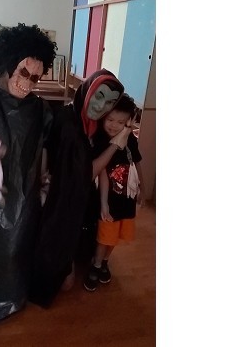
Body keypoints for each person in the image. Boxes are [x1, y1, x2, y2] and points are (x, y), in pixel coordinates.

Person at [0, 23, 56, 327]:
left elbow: (44, 147)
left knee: (13, 250)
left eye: (36, 77)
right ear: (6, 63)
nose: (28, 83)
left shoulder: (39, 109)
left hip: (20, 199)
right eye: (24, 72)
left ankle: (9, 298)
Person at [29, 69, 133, 307]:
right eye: (99, 95)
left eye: (109, 102)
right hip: (57, 203)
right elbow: (85, 176)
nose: (101, 106)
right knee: (63, 283)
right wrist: (116, 144)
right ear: (88, 91)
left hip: (75, 199)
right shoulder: (71, 127)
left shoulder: (89, 122)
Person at [83, 93, 145, 292]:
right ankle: (96, 264)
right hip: (108, 201)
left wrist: (142, 187)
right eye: (110, 119)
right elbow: (101, 173)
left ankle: (105, 262)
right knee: (104, 237)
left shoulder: (130, 140)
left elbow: (136, 162)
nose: (113, 125)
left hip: (126, 200)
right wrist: (104, 204)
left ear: (128, 121)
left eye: (120, 122)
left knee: (116, 237)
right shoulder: (100, 140)